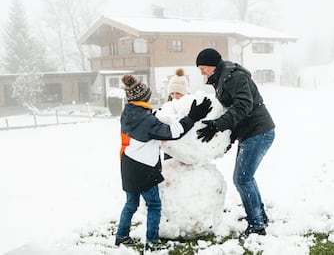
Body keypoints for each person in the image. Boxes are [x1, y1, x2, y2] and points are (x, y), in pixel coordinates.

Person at [115, 74, 212, 248]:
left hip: (128, 164)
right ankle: (152, 242)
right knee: (154, 205)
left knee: (131, 203)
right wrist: (192, 116)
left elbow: (147, 121)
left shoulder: (129, 111)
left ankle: (121, 236)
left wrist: (156, 114)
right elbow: (173, 132)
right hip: (143, 169)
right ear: (144, 97)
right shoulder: (147, 121)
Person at [195, 48, 275, 237]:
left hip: (259, 131)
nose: (201, 72)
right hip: (249, 132)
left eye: (203, 68)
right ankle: (259, 216)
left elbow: (243, 105)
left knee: (242, 178)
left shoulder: (234, 77)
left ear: (213, 66)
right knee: (246, 177)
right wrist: (227, 138)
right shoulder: (222, 78)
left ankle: (256, 226)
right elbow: (232, 110)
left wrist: (218, 126)